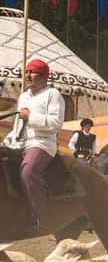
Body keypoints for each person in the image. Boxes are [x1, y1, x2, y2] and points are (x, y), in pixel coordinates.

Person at [2, 59, 65, 230]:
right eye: (27, 71)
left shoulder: (53, 94)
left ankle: (39, 218)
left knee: (28, 172)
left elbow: (56, 123)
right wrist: (8, 139)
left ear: (44, 76)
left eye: (33, 72)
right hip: (19, 143)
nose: (28, 75)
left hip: (41, 143)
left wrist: (31, 116)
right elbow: (18, 124)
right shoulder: (23, 96)